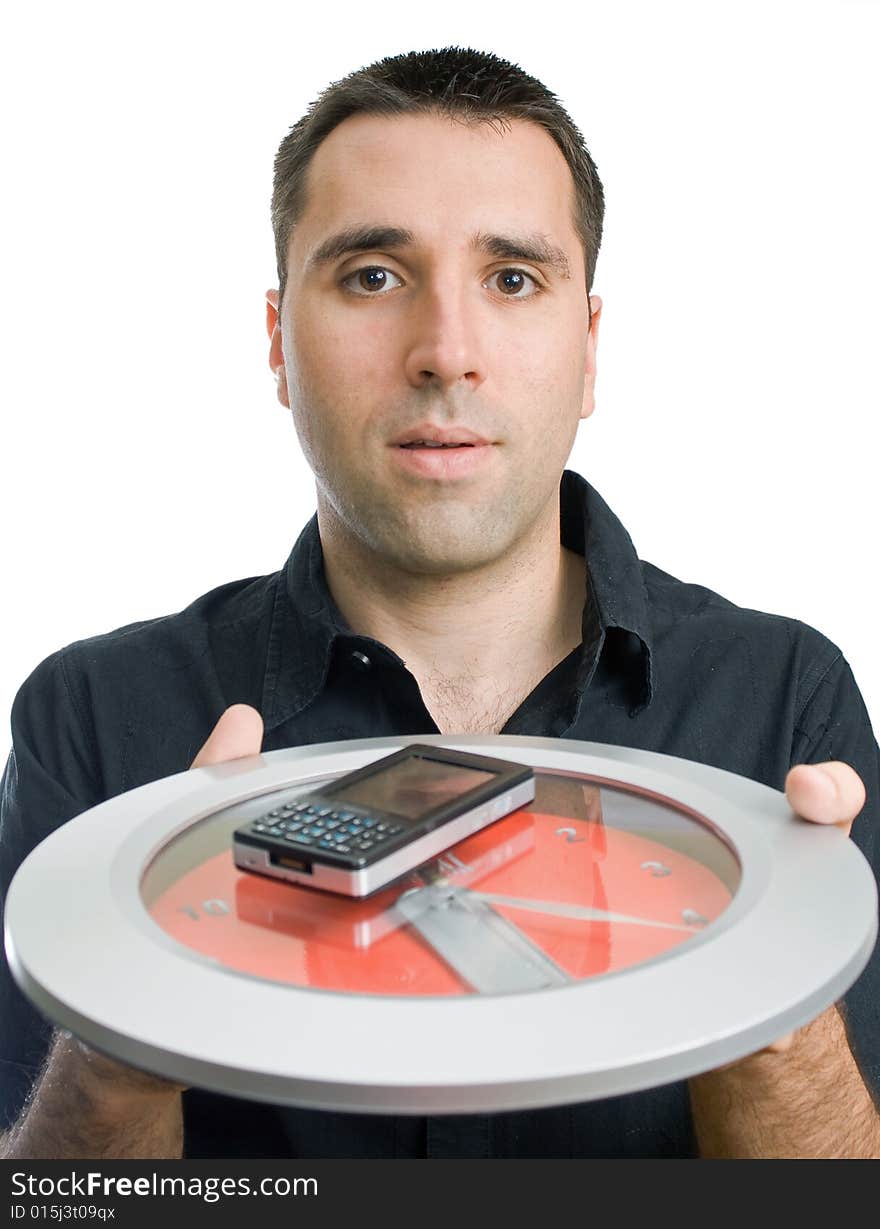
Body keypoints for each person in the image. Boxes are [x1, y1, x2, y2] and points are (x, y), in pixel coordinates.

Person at [1, 45, 878, 1160]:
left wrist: (779, 1021)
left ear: (590, 349)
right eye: (373, 274)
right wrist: (120, 1032)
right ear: (277, 341)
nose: (444, 353)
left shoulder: (785, 704)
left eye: (512, 278)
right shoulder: (94, 716)